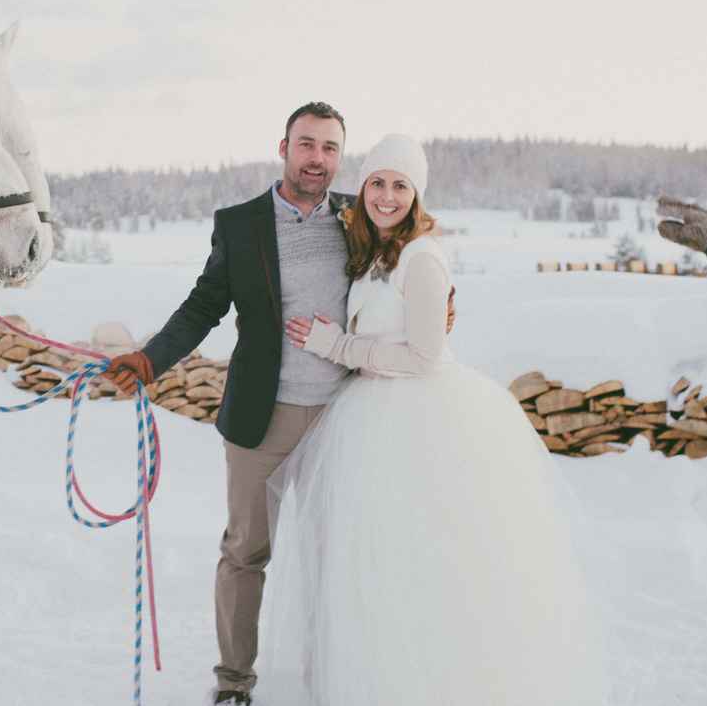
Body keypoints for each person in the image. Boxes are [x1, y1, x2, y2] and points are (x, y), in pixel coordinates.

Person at [102, 105, 453, 705]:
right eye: (306, 144)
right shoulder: (239, 225)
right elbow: (202, 305)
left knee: (339, 554)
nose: (318, 159)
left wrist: (444, 300)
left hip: (344, 415)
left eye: (330, 148)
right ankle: (234, 681)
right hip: (261, 419)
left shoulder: (359, 211)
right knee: (245, 553)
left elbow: (409, 261)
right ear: (284, 147)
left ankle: (335, 674)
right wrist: (151, 359)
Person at [258, 134, 606, 705]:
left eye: (400, 185)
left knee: (418, 561)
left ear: (417, 195)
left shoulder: (422, 258)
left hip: (413, 422)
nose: (387, 196)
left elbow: (422, 357)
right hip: (366, 414)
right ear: (363, 187)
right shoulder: (373, 251)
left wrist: (336, 345)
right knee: (370, 568)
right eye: (377, 182)